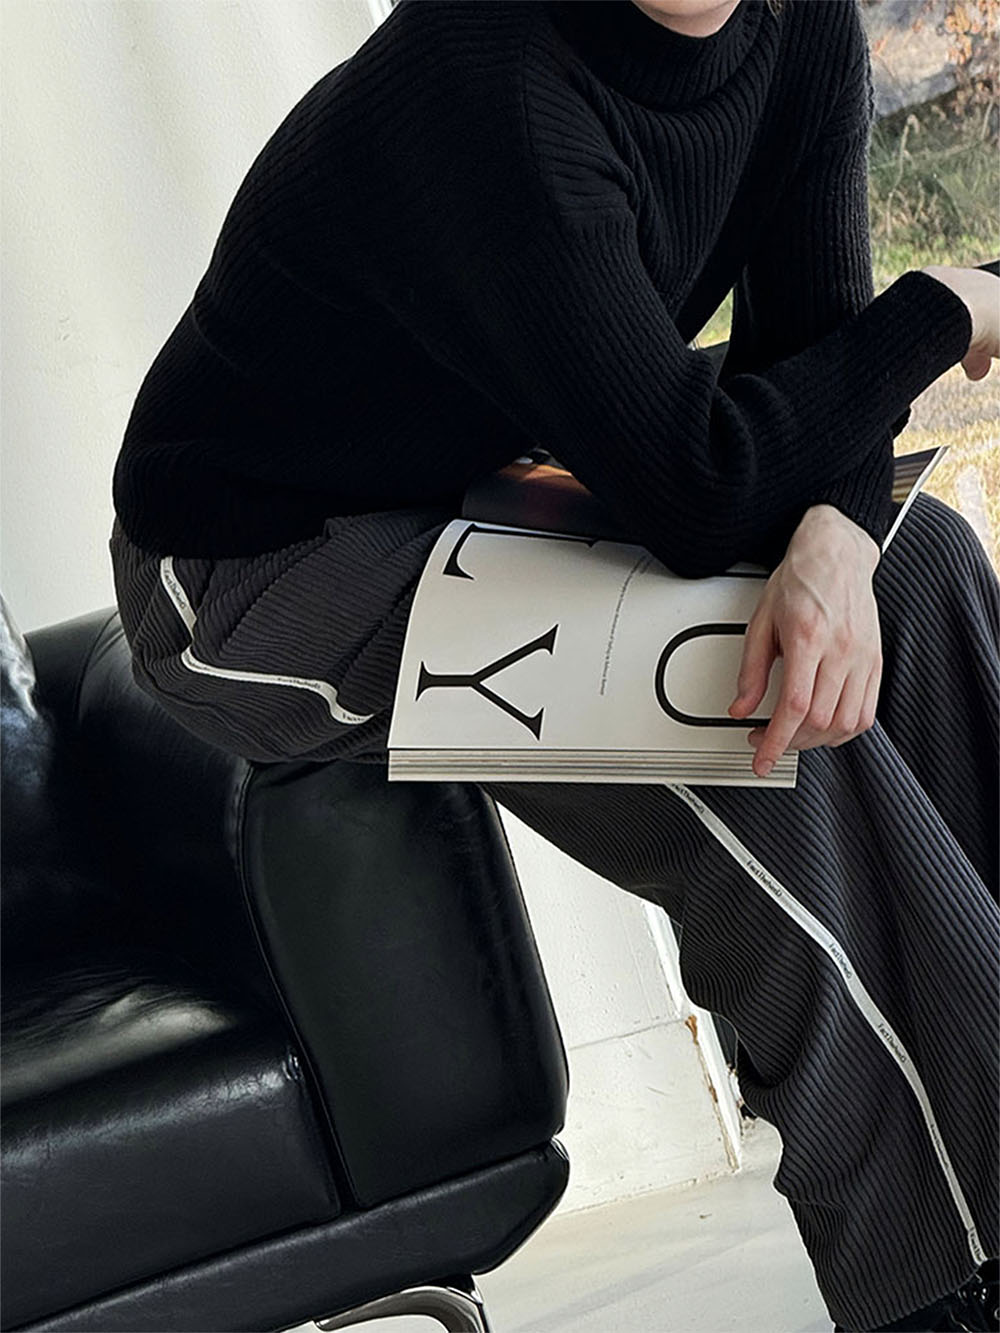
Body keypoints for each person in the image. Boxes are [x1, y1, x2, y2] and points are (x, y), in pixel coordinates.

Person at [107, 0, 1000, 1328]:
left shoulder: (802, 25)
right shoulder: (492, 79)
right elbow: (701, 489)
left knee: (918, 564)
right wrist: (943, 308)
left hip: (484, 474)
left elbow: (809, 360)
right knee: (752, 713)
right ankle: (936, 1288)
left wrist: (839, 532)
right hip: (254, 569)